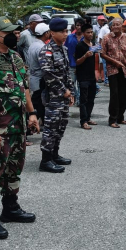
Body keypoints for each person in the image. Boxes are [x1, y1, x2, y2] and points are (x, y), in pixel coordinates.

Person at [0, 17, 40, 240]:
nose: (16, 34)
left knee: (14, 168)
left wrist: (31, 114)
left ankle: (10, 208)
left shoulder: (15, 57)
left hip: (18, 126)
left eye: (16, 31)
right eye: (10, 32)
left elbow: (24, 88)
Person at [38, 17, 74, 173]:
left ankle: (54, 154)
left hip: (64, 96)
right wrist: (63, 90)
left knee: (61, 126)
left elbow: (67, 73)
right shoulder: (47, 51)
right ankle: (45, 161)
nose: (65, 34)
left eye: (66, 31)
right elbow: (48, 74)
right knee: (50, 128)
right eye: (61, 31)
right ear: (52, 33)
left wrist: (71, 91)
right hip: (53, 96)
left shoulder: (63, 49)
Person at [100, 18, 126, 128]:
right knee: (114, 94)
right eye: (113, 25)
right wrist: (115, 62)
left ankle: (120, 117)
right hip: (112, 69)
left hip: (125, 69)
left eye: (118, 25)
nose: (115, 27)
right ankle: (112, 119)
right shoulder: (106, 38)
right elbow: (102, 54)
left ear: (122, 26)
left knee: (124, 94)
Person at [75, 23, 99, 129]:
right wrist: (85, 56)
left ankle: (88, 117)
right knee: (83, 100)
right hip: (83, 76)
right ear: (83, 33)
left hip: (92, 76)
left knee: (91, 98)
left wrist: (97, 71)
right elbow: (77, 62)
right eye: (88, 32)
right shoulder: (80, 46)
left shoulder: (92, 44)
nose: (90, 34)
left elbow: (96, 59)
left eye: (91, 32)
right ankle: (83, 121)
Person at [25, 23, 50, 124]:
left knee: (37, 100)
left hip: (34, 76)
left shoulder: (33, 45)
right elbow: (45, 66)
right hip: (40, 78)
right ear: (46, 33)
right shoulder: (42, 47)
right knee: (38, 102)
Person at [65, 21, 82, 106]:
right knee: (71, 84)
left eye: (80, 25)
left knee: (80, 84)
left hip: (82, 66)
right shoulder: (70, 37)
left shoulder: (85, 38)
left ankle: (79, 101)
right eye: (77, 25)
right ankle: (74, 97)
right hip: (71, 64)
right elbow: (65, 49)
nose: (79, 27)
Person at [96, 15, 111, 85]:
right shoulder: (104, 29)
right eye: (101, 20)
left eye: (103, 20)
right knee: (104, 64)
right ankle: (106, 80)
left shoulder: (109, 29)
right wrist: (101, 49)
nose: (102, 21)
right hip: (104, 50)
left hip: (110, 50)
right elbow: (100, 39)